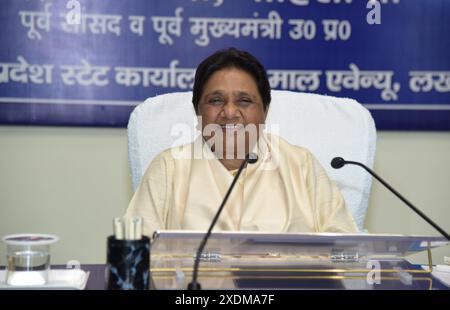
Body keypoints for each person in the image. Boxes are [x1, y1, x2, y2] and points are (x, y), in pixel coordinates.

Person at [124, 47, 358, 237]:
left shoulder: (301, 165)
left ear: (265, 111)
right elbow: (135, 255)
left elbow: (345, 248)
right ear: (197, 110)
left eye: (244, 101)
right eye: (216, 101)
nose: (229, 112)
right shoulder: (169, 168)